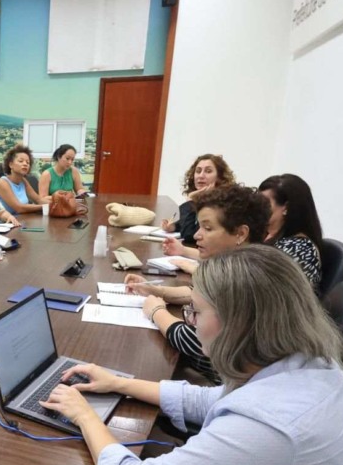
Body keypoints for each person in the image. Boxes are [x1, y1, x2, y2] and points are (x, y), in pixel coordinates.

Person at [43, 246, 343, 465]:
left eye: (195, 312)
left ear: (237, 324)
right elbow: (211, 398)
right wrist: (119, 383)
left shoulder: (266, 425)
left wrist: (85, 416)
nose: (190, 322)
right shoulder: (308, 361)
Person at [126, 185, 270, 383]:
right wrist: (156, 290)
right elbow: (199, 294)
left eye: (208, 228)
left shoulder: (246, 280)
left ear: (240, 234)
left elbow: (196, 342)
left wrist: (157, 312)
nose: (196, 235)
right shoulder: (247, 265)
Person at [161, 154, 236, 256]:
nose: (201, 176)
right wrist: (174, 226)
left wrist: (190, 201)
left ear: (219, 177)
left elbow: (189, 235)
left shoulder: (222, 204)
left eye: (208, 171)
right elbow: (190, 222)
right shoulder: (201, 200)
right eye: (198, 171)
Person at [258, 173, 323, 291]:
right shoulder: (264, 234)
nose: (257, 207)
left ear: (286, 208)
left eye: (264, 203)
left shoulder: (301, 248)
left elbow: (267, 288)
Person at [0, 144, 49, 214]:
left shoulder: (23, 181)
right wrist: (45, 207)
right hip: (7, 220)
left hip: (23, 219)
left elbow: (38, 200)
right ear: (11, 164)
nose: (25, 164)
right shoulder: (2, 182)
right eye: (21, 161)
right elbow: (19, 208)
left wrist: (57, 204)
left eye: (28, 162)